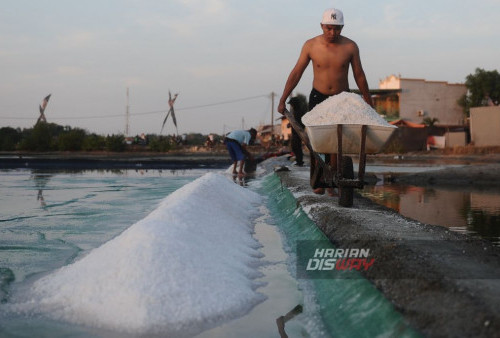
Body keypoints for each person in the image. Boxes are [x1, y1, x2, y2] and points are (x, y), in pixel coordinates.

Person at [277, 8, 373, 195]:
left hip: (341, 97)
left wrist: (369, 102)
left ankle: (334, 180)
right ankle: (319, 178)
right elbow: (297, 72)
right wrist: (282, 99)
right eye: (329, 28)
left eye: (337, 29)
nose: (332, 33)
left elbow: (359, 75)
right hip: (318, 96)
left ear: (342, 27)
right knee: (318, 139)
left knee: (337, 141)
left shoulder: (350, 47)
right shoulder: (311, 45)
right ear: (321, 26)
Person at [288, 96, 307, 166]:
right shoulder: (295, 112)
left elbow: (299, 122)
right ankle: (298, 160)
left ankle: (300, 161)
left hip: (298, 132)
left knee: (296, 146)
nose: (291, 106)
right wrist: (290, 124)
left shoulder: (299, 112)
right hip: (295, 132)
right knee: (295, 146)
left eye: (292, 104)